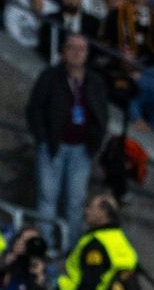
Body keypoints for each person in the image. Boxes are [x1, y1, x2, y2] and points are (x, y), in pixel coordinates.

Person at [26, 34, 109, 243]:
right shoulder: (50, 77)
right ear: (63, 52)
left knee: (77, 201)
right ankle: (45, 245)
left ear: (87, 54)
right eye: (72, 48)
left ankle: (72, 247)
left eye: (81, 49)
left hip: (82, 149)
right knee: (47, 197)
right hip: (53, 146)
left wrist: (96, 141)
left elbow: (101, 113)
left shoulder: (94, 81)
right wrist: (42, 138)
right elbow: (34, 108)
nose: (77, 53)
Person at [56, 193, 147, 290]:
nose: (86, 211)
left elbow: (89, 286)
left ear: (103, 213)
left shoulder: (96, 245)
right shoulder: (120, 239)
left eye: (91, 207)